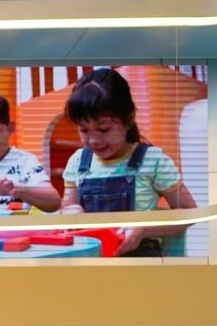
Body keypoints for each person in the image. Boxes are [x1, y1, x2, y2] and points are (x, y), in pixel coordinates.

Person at [57, 67, 198, 257]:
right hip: (93, 260)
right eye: (84, 130)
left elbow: (188, 212)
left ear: (128, 119)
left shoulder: (152, 160)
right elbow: (68, 206)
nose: (93, 140)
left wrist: (144, 228)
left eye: (104, 129)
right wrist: (71, 212)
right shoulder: (77, 162)